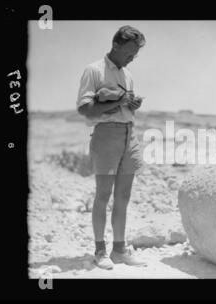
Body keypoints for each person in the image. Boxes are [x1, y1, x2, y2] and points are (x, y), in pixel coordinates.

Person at [76, 25, 147, 269]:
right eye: (129, 53)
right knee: (103, 196)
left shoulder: (128, 75)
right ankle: (100, 250)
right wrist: (116, 102)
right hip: (106, 135)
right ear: (116, 45)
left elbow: (124, 106)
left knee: (123, 197)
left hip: (130, 135)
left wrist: (132, 105)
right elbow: (85, 110)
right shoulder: (93, 70)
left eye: (135, 54)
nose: (132, 58)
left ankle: (119, 250)